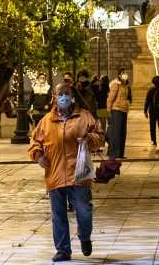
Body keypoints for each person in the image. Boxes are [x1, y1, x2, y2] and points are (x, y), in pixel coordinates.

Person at [28, 82, 104, 262]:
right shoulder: (46, 121)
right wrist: (38, 157)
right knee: (58, 215)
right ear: (54, 97)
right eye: (59, 94)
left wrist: (89, 139)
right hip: (54, 174)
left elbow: (100, 138)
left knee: (84, 211)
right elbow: (34, 143)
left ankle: (84, 237)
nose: (63, 97)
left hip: (79, 173)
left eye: (66, 93)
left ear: (73, 96)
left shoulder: (84, 117)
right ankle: (63, 250)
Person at [105, 69, 131, 159]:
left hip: (124, 110)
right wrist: (108, 112)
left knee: (122, 133)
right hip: (116, 110)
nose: (125, 75)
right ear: (119, 75)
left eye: (126, 73)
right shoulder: (116, 85)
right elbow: (110, 99)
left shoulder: (126, 86)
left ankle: (120, 153)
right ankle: (114, 153)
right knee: (116, 133)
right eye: (123, 73)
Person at [143, 75, 159, 150]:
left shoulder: (150, 90)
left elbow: (147, 101)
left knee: (152, 126)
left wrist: (145, 111)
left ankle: (153, 140)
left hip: (152, 111)